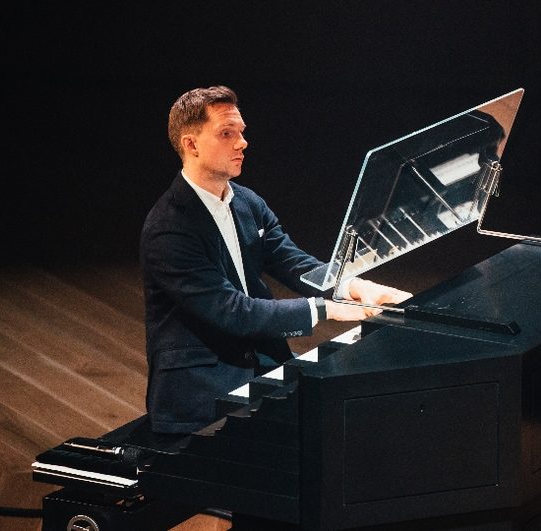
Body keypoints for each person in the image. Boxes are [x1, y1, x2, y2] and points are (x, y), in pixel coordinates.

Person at [141, 85, 411, 434]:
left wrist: (354, 286)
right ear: (191, 145)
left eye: (241, 132)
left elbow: (293, 262)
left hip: (260, 360)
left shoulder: (248, 203)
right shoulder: (169, 228)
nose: (242, 143)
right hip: (200, 386)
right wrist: (325, 309)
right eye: (226, 134)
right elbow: (230, 310)